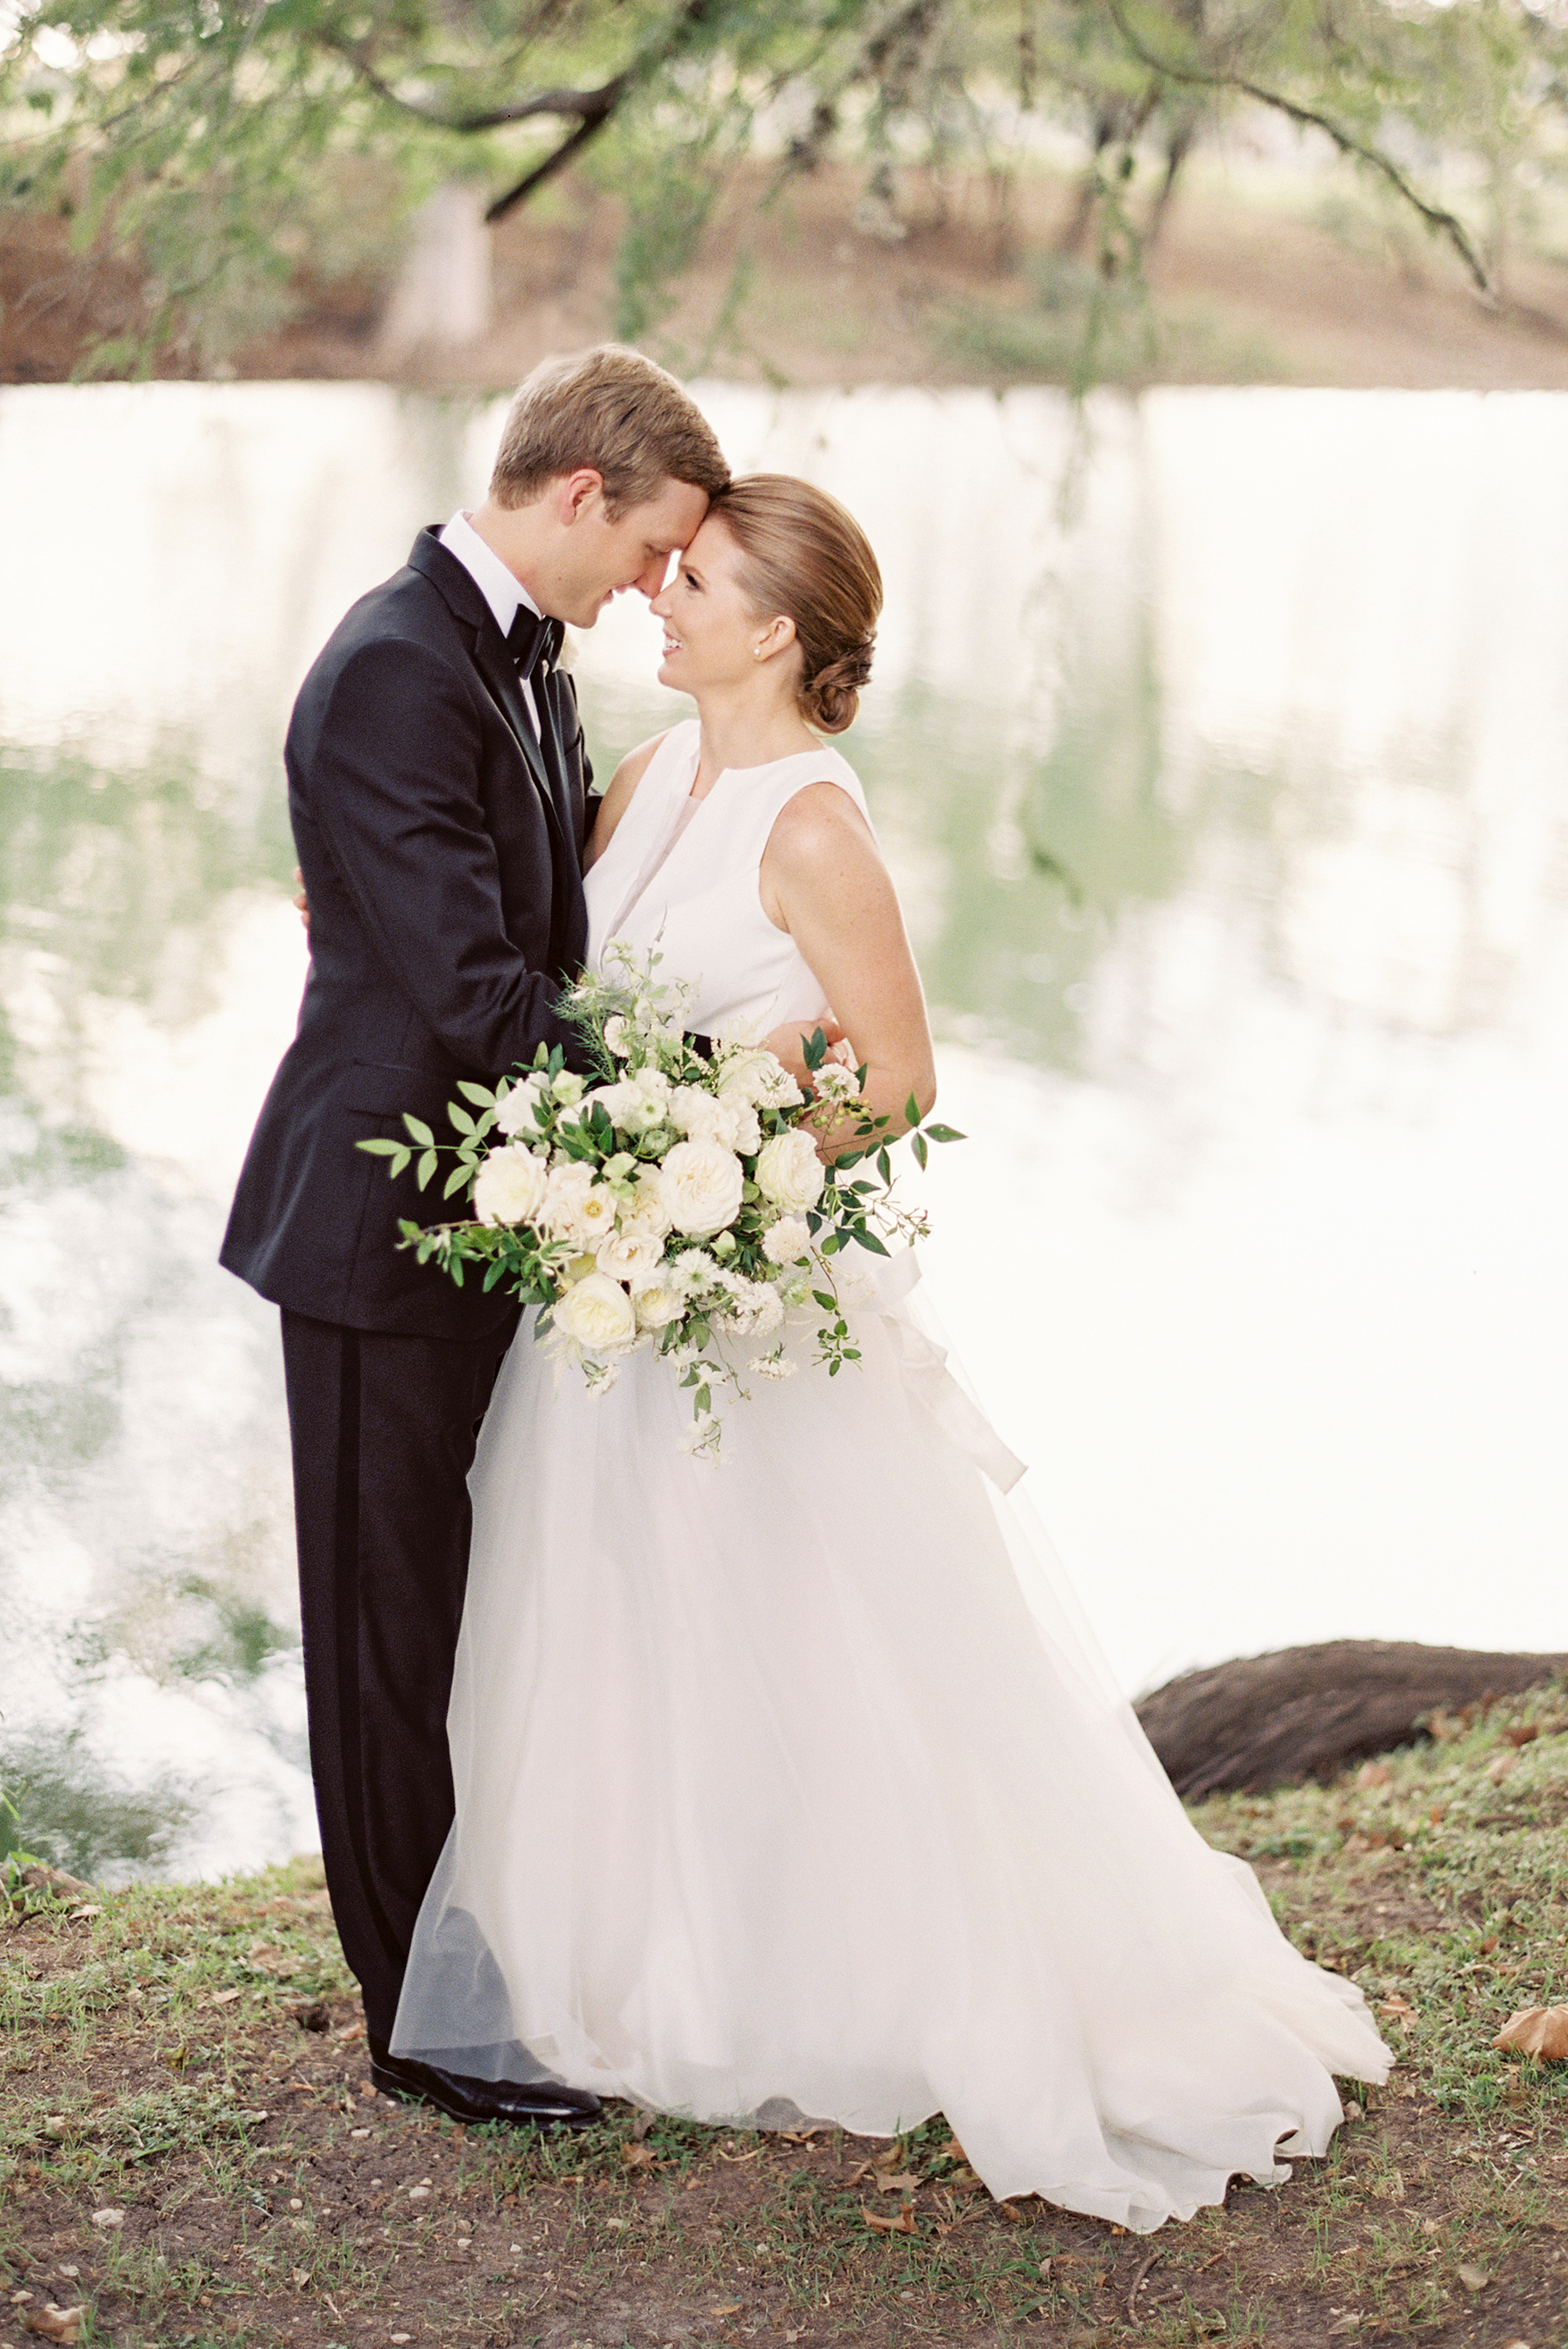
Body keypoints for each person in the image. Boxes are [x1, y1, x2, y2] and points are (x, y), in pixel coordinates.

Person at [388, 474, 1392, 2233]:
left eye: (690, 580)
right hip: (619, 1295)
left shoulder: (814, 833)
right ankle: (654, 1965)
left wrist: (727, 1161)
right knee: (626, 1610)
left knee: (799, 1631)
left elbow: (900, 1077)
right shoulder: (640, 787)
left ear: (773, 629)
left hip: (746, 1300)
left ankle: (862, 1969)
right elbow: (566, 991)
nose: (656, 597)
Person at [220, 347, 735, 2130]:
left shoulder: (520, 669)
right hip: (375, 1225)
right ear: (583, 494)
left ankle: (473, 1956)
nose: (655, 586)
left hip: (484, 1219)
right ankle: (422, 2030)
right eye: (657, 548)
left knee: (460, 1617)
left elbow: (537, 939)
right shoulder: (391, 671)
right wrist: (695, 1106)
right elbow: (467, 989)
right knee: (386, 1635)